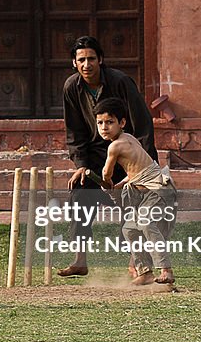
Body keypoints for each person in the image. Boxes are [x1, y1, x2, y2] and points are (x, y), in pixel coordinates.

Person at [58, 36, 156, 277]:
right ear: (74, 63)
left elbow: (142, 125)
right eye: (81, 60)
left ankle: (137, 264)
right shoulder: (72, 87)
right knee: (80, 194)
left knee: (132, 204)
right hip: (94, 156)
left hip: (127, 153)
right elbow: (75, 131)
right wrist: (81, 164)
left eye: (91, 58)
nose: (87, 64)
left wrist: (143, 170)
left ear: (100, 60)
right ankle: (80, 260)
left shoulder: (120, 82)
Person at [95, 97, 176, 286]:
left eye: (110, 122)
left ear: (122, 123)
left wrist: (107, 184)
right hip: (151, 191)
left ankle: (166, 270)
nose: (104, 127)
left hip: (159, 189)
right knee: (129, 229)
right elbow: (136, 172)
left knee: (146, 223)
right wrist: (119, 186)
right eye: (100, 123)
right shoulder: (129, 138)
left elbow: (106, 173)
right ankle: (145, 272)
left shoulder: (115, 146)